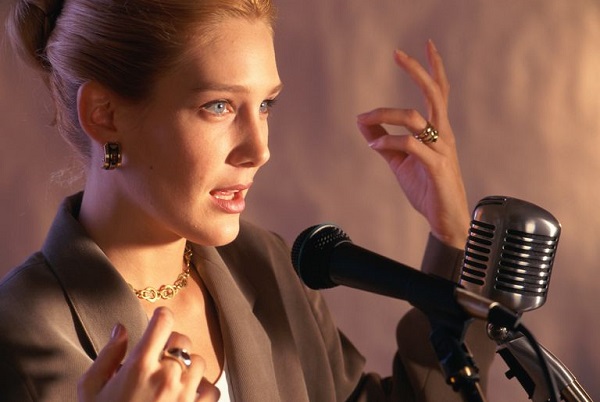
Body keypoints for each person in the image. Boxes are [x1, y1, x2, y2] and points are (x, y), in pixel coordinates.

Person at [0, 0, 495, 400]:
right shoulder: (21, 336)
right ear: (105, 114)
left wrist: (453, 240)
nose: (260, 150)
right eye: (218, 106)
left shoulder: (269, 266)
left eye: (265, 105)